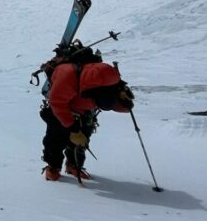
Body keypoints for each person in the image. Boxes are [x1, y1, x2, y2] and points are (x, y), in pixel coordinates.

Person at [38, 44, 135, 181]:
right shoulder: (67, 76)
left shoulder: (110, 77)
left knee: (83, 139)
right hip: (62, 109)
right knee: (55, 139)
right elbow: (57, 103)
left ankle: (74, 165)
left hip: (84, 109)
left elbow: (112, 100)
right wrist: (72, 128)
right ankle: (53, 166)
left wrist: (125, 104)